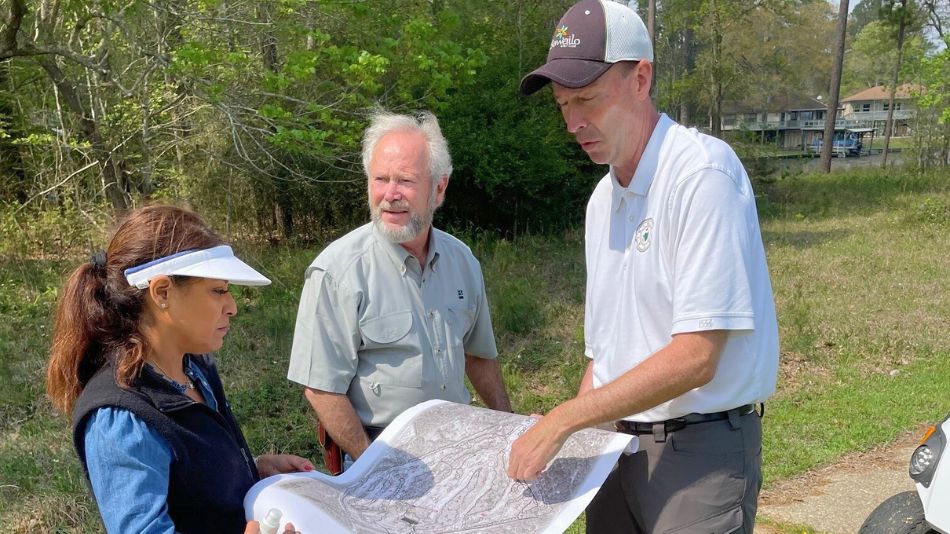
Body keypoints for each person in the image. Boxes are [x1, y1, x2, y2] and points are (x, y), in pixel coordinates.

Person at [509, 1, 780, 532]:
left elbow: (697, 357)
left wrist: (566, 418)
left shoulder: (702, 175)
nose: (573, 122)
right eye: (563, 104)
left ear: (641, 78)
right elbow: (603, 356)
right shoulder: (600, 202)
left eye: (585, 98)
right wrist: (572, 438)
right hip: (615, 449)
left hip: (698, 456)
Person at [46, 205, 312, 534]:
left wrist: (249, 473)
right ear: (162, 292)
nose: (232, 306)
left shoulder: (193, 369)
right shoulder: (122, 416)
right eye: (218, 291)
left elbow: (191, 482)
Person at [288, 110, 512, 473]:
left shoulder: (463, 261)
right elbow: (322, 389)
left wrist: (510, 427)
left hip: (457, 443)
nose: (390, 195)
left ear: (439, 188)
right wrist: (374, 464)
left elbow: (479, 356)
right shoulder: (337, 272)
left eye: (405, 181)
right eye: (380, 179)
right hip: (376, 448)